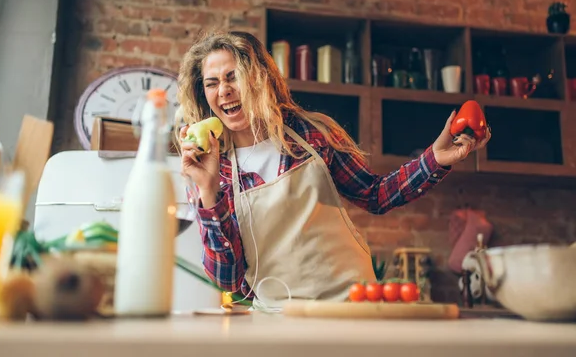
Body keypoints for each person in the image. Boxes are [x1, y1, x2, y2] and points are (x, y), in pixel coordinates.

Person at [177, 30, 491, 308]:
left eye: (233, 77)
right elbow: (227, 280)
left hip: (353, 302)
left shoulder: (310, 133)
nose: (224, 91)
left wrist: (436, 158)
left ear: (258, 78)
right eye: (212, 83)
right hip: (281, 319)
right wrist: (208, 191)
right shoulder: (212, 170)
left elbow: (375, 195)